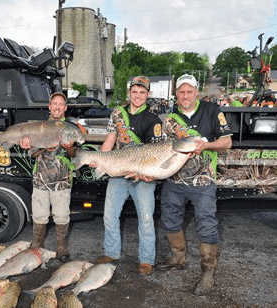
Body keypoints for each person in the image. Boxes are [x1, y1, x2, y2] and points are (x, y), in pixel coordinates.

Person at [159, 74, 232, 295]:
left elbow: (227, 141)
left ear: (196, 93)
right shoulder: (169, 118)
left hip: (203, 180)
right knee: (170, 216)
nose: (185, 96)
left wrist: (207, 146)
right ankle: (177, 257)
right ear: (176, 95)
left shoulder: (211, 111)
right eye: (181, 92)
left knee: (206, 223)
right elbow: (163, 150)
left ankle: (208, 272)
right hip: (175, 179)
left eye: (189, 91)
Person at [95, 76, 163, 276]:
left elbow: (155, 153)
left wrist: (148, 175)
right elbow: (110, 139)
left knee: (146, 219)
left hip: (142, 177)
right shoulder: (118, 113)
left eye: (142, 92)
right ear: (129, 93)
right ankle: (111, 252)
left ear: (148, 94)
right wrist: (99, 158)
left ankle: (146, 260)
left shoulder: (153, 119)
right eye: (135, 91)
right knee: (109, 216)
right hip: (119, 173)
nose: (138, 95)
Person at [19, 92, 78, 262]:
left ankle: (61, 249)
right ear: (49, 107)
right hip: (41, 181)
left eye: (61, 103)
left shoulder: (71, 128)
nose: (57, 106)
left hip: (63, 182)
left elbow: (76, 155)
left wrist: (68, 148)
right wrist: (29, 146)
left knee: (61, 216)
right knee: (39, 216)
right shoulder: (40, 127)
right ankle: (36, 246)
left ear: (65, 108)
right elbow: (34, 154)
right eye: (54, 103)